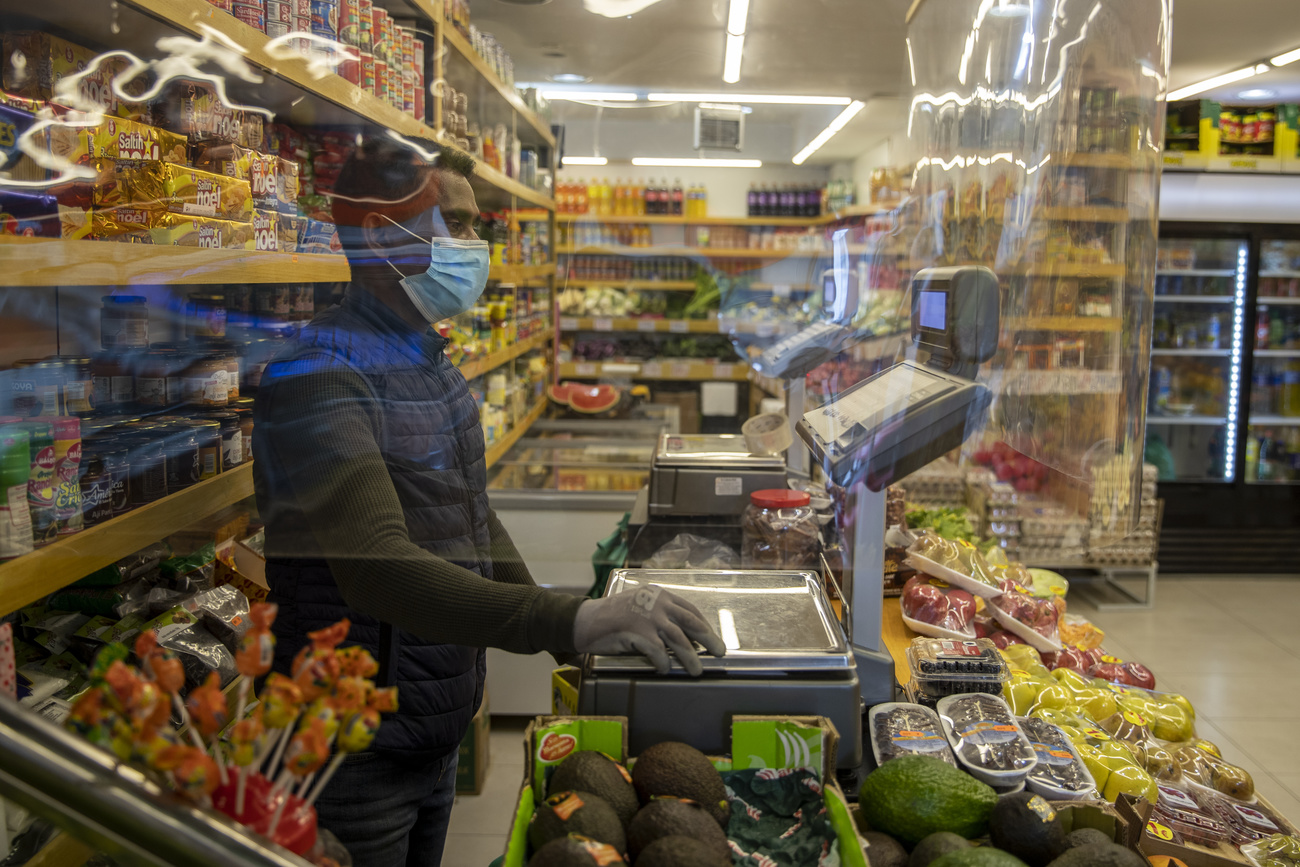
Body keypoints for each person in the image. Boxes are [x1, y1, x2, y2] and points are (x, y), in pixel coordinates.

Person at [252, 134, 724, 866]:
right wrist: (564, 614)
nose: (477, 245)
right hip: (350, 749)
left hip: (429, 723)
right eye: (461, 224)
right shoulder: (319, 376)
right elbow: (375, 563)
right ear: (382, 237)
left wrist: (570, 625)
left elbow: (472, 515)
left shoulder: (426, 360)